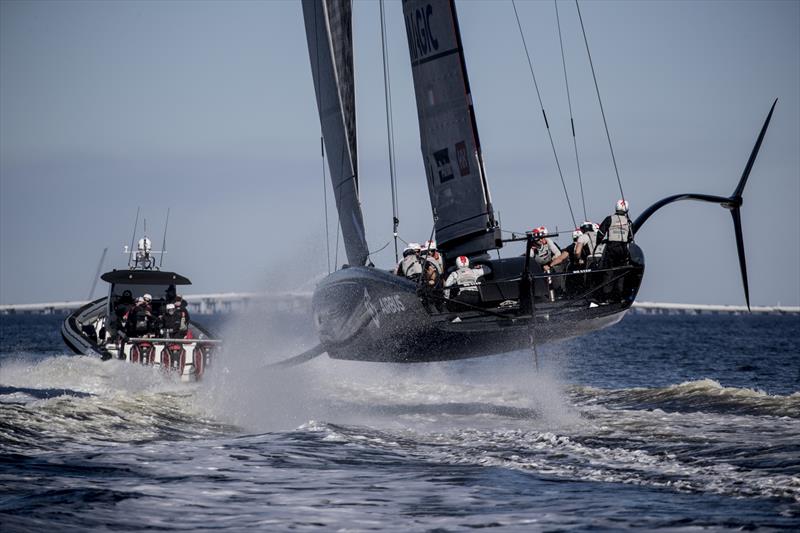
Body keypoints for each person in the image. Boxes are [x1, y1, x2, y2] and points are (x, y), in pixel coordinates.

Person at [597, 199, 633, 268]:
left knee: (608, 269)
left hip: (611, 248)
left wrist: (598, 243)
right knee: (621, 268)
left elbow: (600, 234)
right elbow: (630, 238)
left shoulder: (609, 219)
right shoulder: (629, 222)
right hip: (623, 249)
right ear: (627, 210)